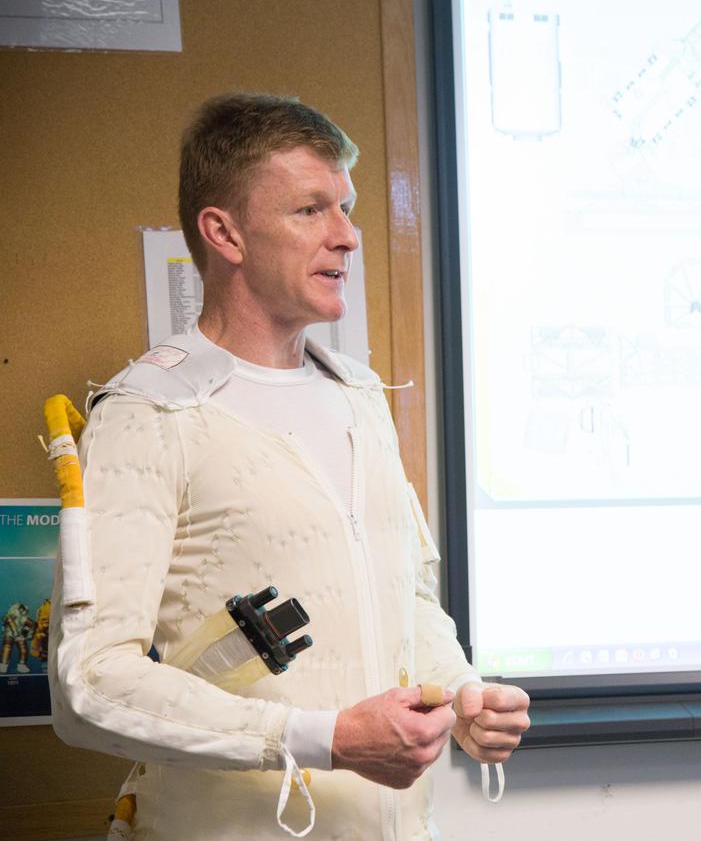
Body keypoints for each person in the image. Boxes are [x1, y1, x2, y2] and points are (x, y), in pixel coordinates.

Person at [49, 92, 529, 839]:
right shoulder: (148, 415)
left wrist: (462, 694)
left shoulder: (360, 397)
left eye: (347, 206)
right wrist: (323, 737)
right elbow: (90, 685)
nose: (348, 237)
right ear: (224, 232)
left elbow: (406, 605)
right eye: (311, 210)